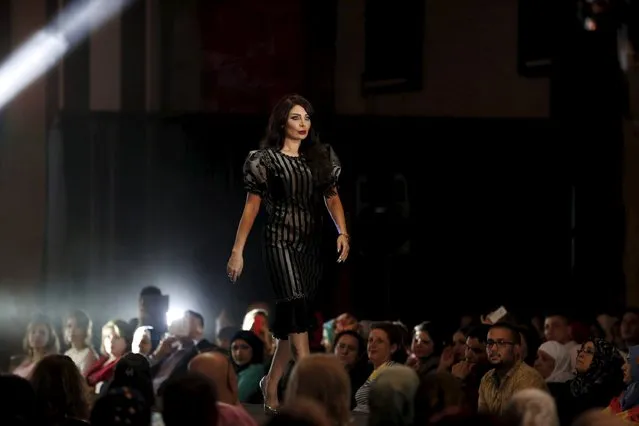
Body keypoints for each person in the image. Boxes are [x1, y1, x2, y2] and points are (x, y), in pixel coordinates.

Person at [227, 93, 349, 414]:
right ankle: (310, 387)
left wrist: (343, 232)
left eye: (307, 118)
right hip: (279, 241)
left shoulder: (320, 157)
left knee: (293, 318)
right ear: (283, 121)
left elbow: (332, 198)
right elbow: (251, 208)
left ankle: (272, 380)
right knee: (296, 308)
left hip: (309, 246)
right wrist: (237, 251)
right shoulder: (264, 160)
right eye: (296, 117)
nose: (303, 123)